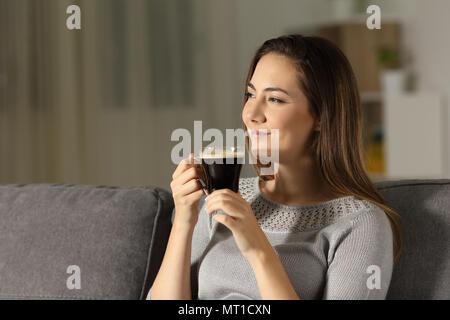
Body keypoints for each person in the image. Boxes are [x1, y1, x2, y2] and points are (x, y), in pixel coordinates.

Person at [149, 34, 401, 300]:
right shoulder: (221, 198)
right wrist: (184, 223)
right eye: (250, 94)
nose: (251, 114)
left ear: (321, 116)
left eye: (275, 99)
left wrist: (259, 251)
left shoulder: (360, 224)